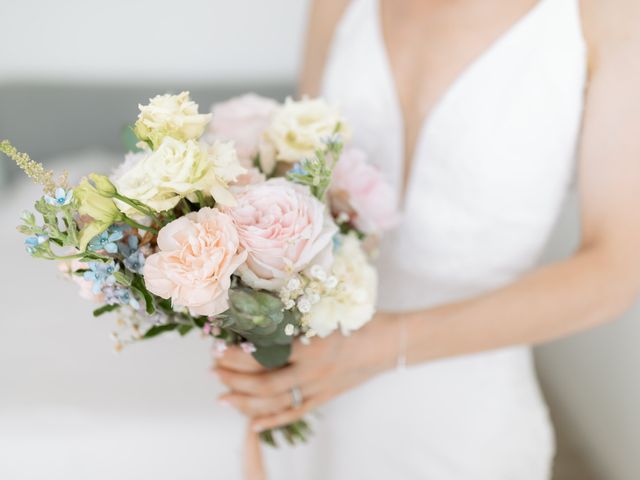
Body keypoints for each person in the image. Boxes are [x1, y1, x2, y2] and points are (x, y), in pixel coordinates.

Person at [213, 0, 640, 478]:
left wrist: (374, 348)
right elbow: (302, 190)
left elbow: (615, 271)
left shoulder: (607, 16)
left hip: (464, 419)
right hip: (310, 394)